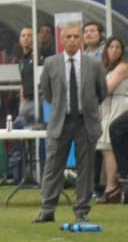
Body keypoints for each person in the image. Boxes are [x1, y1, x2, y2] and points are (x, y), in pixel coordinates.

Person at [34, 23, 107, 224]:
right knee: (53, 167)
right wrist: (61, 107)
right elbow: (47, 92)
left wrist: (88, 108)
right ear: (62, 39)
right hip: (61, 121)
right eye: (69, 37)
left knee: (86, 169)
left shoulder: (93, 64)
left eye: (76, 36)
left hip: (85, 122)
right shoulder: (51, 63)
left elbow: (102, 91)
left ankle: (82, 210)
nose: (73, 40)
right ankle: (47, 209)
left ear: (81, 40)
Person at [96, 38, 128, 203]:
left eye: (118, 47)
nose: (114, 50)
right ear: (106, 49)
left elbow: (108, 88)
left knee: (109, 146)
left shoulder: (122, 67)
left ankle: (112, 187)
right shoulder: (106, 67)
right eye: (111, 47)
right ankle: (110, 185)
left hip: (118, 105)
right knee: (105, 148)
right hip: (107, 107)